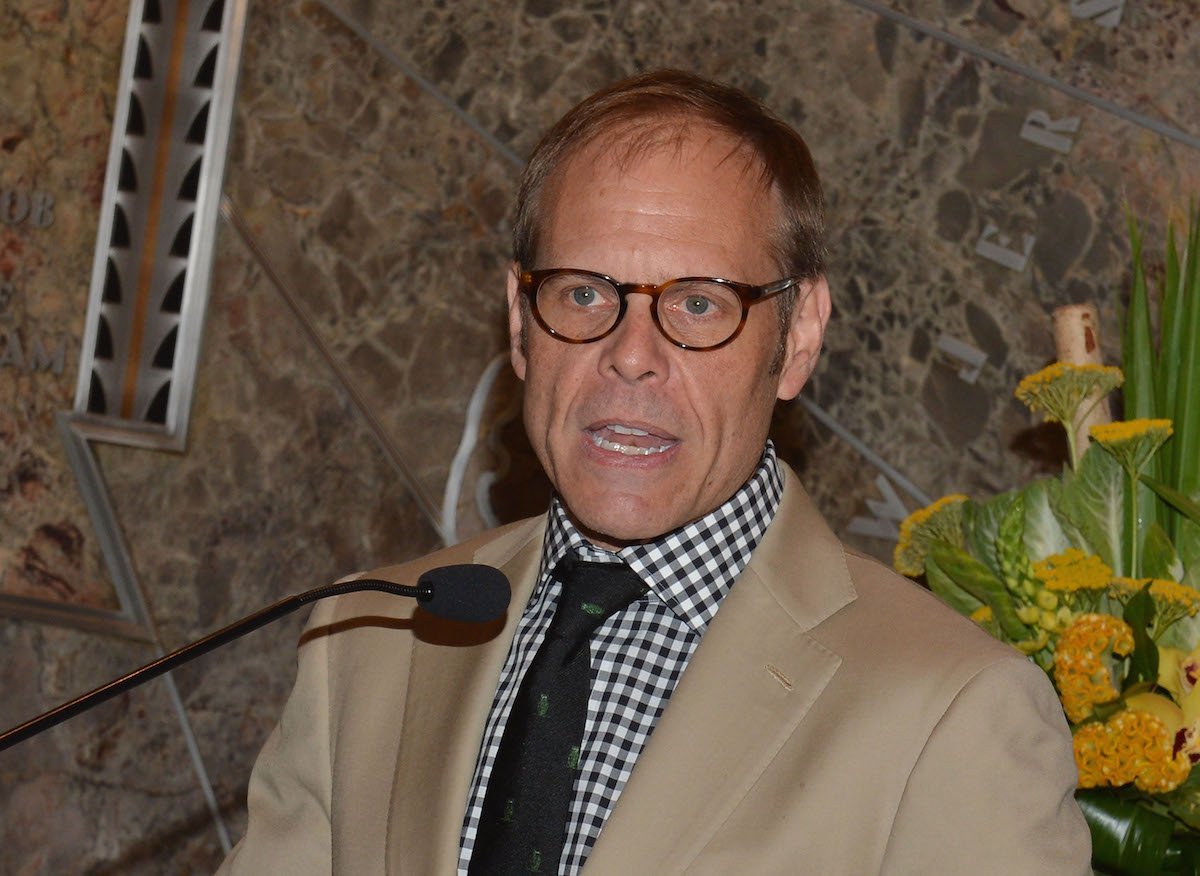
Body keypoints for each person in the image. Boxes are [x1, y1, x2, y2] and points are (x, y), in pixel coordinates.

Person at [220, 70, 1090, 874]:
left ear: (799, 338)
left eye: (700, 304)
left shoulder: (953, 713)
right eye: (585, 294)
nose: (630, 357)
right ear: (520, 323)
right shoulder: (366, 643)